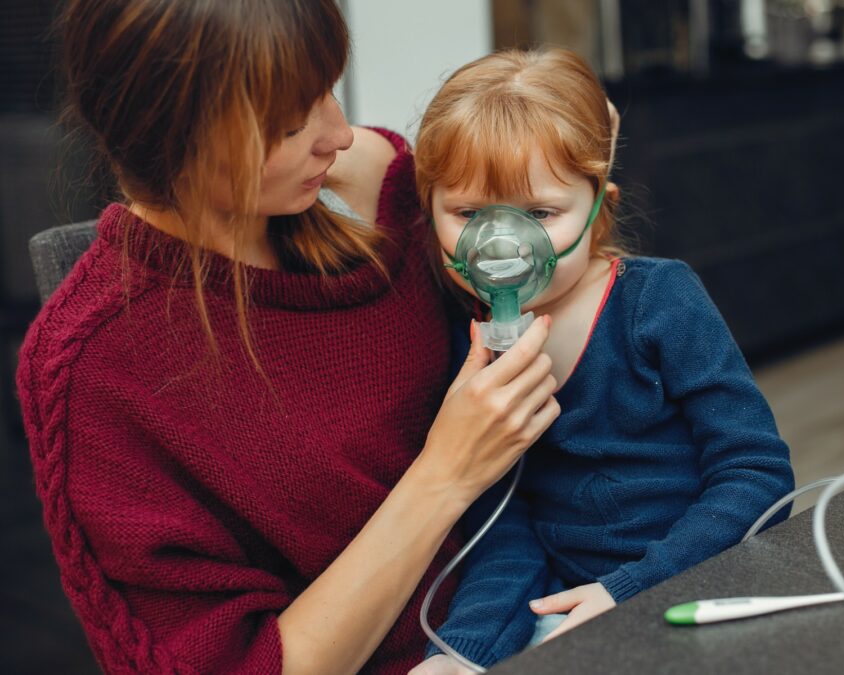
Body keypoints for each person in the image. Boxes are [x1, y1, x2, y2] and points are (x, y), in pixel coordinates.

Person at [16, 2, 560, 673]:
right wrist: (445, 475)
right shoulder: (95, 369)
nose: (337, 133)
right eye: (290, 121)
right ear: (174, 136)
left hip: (550, 594)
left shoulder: (377, 183)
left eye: (328, 86)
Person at [412, 48, 795, 673]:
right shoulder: (473, 343)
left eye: (538, 214)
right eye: (470, 214)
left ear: (599, 209)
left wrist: (631, 592)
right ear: (430, 216)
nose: (502, 244)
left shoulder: (658, 301)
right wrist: (462, 654)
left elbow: (757, 477)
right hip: (572, 613)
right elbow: (503, 527)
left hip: (700, 584)